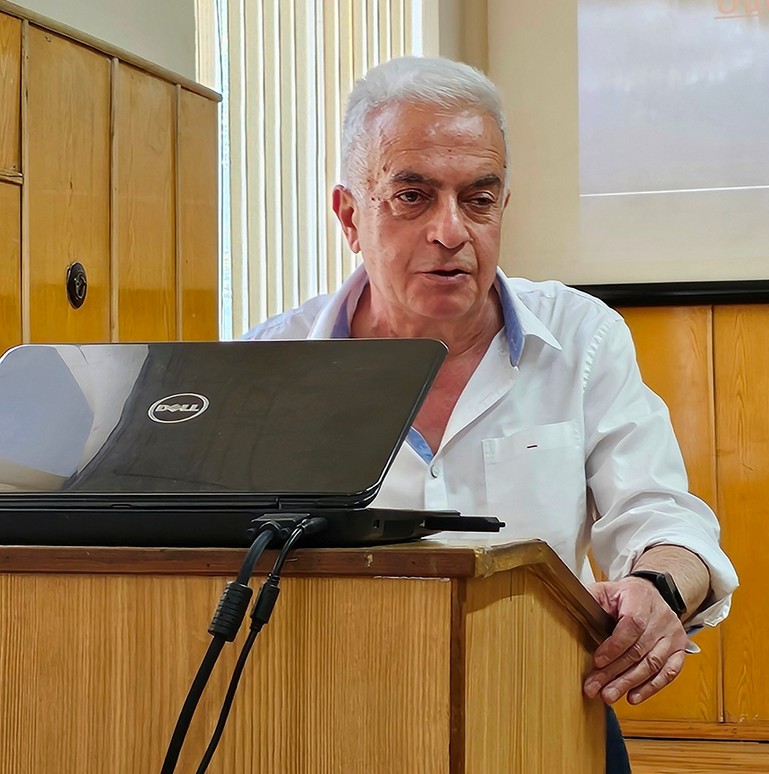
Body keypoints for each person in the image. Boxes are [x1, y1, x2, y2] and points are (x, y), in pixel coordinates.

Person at [245, 56, 738, 772]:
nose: (451, 231)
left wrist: (657, 587)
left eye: (478, 199)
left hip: (540, 705)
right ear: (350, 216)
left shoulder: (581, 338)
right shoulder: (270, 365)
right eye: (412, 196)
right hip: (332, 720)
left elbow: (663, 516)